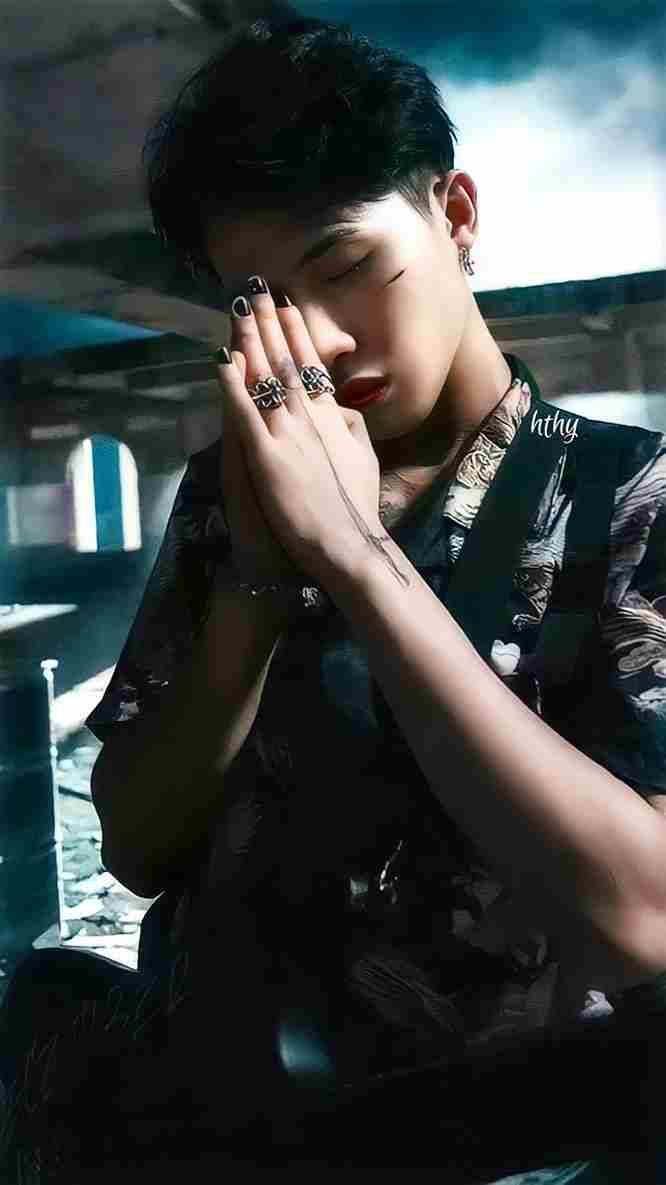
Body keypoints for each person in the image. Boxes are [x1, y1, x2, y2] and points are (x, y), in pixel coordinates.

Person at [1, 15, 666, 1182]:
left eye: (348, 267)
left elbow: (643, 921)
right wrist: (257, 580)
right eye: (259, 300)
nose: (315, 339)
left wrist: (355, 556)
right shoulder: (233, 489)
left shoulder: (630, 496)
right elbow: (139, 846)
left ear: (456, 217)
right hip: (204, 1117)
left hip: (495, 1142)